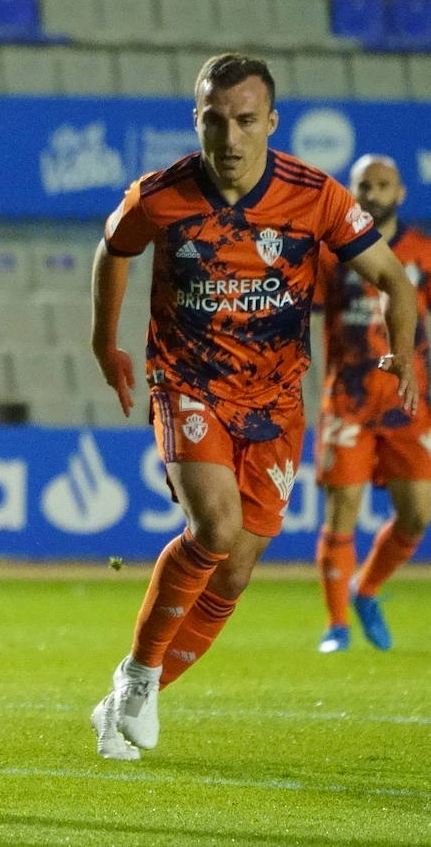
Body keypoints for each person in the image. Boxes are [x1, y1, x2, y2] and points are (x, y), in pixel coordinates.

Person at [87, 53, 419, 762]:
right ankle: (142, 674)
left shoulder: (316, 195)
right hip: (188, 384)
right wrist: (104, 342)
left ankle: (127, 693)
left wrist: (402, 352)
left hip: (274, 403)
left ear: (271, 122)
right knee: (215, 527)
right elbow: (114, 249)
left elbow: (392, 277)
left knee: (235, 569)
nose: (229, 138)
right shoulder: (159, 193)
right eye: (215, 120)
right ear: (197, 120)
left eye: (244, 121)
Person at [313, 154, 431, 653]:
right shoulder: (328, 255)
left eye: (384, 185)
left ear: (401, 193)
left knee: (417, 517)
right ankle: (336, 626)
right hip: (348, 399)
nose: (374, 194)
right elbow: (302, 317)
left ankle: (367, 589)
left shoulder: (423, 252)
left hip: (408, 400)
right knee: (342, 513)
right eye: (365, 185)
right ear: (351, 189)